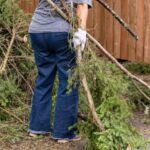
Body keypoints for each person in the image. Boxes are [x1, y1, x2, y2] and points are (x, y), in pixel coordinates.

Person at [28, 0, 92, 143]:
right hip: (60, 33)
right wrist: (81, 31)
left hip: (37, 30)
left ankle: (37, 127)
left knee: (44, 78)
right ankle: (64, 132)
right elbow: (82, 4)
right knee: (68, 81)